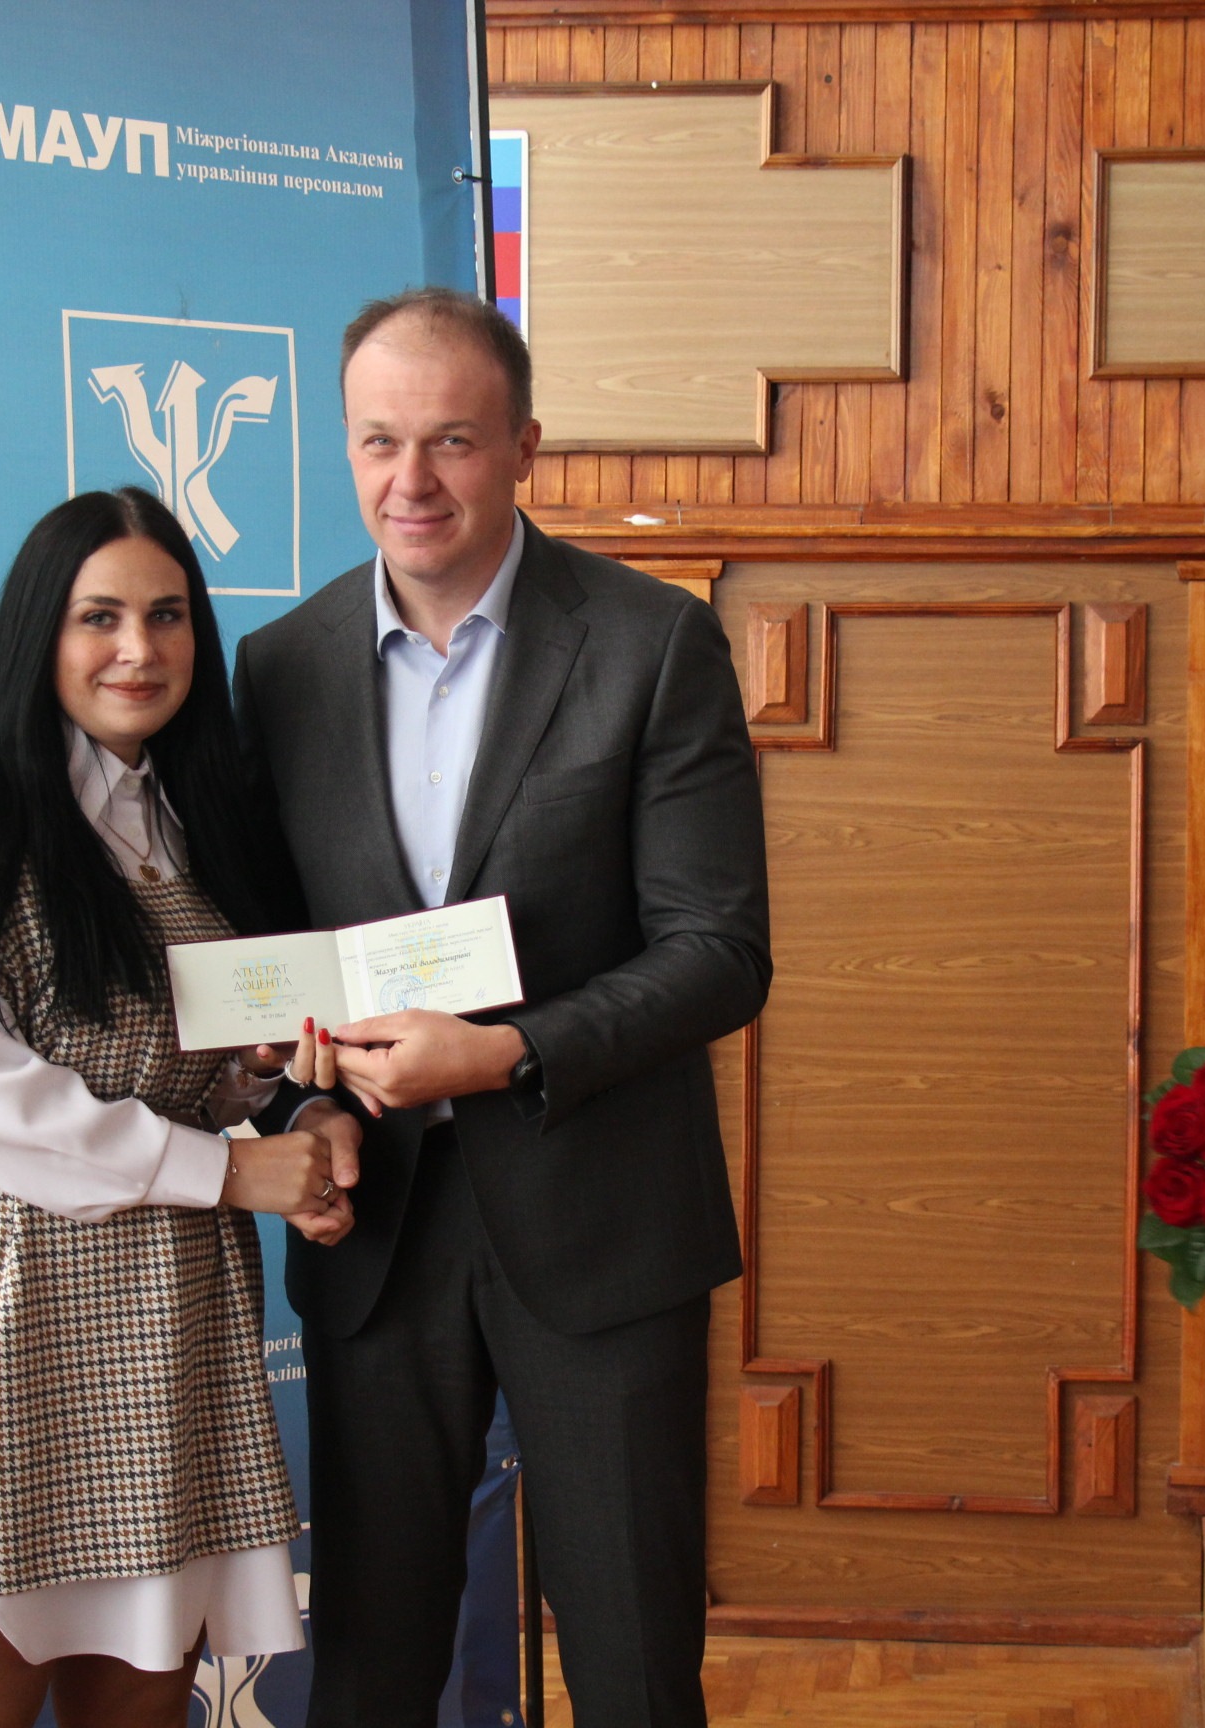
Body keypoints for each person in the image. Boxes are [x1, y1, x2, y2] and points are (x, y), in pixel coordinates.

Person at [233, 286, 769, 1728]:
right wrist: (294, 1101)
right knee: (370, 1671)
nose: (410, 480)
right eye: (378, 441)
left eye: (453, 441)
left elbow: (720, 950)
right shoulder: (277, 668)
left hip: (603, 1221)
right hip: (378, 1229)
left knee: (634, 1668)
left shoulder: (652, 642)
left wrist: (504, 1053)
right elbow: (269, 954)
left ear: (526, 445)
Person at [0, 489, 363, 1728]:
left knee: (142, 1700)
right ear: (42, 633)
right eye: (101, 617)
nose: (139, 649)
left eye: (168, 617)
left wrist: (272, 1089)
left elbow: (181, 1065)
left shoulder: (189, 814)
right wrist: (230, 1172)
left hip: (162, 1308)